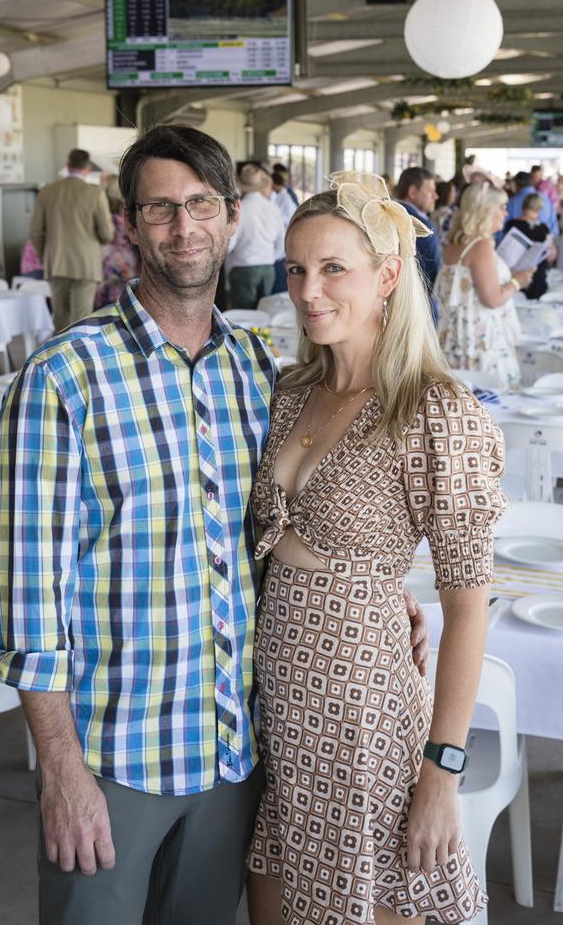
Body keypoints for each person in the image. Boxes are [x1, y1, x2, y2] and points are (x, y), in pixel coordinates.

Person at [0, 126, 429, 925]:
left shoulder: (263, 372)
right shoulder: (63, 378)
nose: (182, 228)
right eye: (159, 208)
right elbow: (27, 601)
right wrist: (59, 769)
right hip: (113, 760)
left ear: (231, 217)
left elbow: (279, 524)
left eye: (199, 206)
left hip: (234, 756)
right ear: (129, 223)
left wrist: (370, 588)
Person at [246, 171, 505, 925]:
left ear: (389, 274)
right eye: (297, 268)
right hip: (280, 714)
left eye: (334, 268)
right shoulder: (292, 389)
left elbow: (467, 608)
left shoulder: (434, 411)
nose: (307, 290)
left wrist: (441, 775)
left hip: (364, 719)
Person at [435, 181, 534, 390]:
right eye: (502, 207)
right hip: (480, 340)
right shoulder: (481, 245)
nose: (506, 213)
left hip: (455, 337)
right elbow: (492, 299)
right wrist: (517, 281)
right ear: (486, 210)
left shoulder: (452, 244)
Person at [30, 148, 114, 332]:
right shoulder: (95, 193)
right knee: (80, 321)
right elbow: (107, 234)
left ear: (68, 167)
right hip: (85, 264)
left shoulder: (46, 192)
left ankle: (58, 358)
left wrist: (46, 254)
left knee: (60, 320)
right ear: (88, 168)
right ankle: (77, 360)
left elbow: (36, 231)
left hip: (56, 262)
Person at [226, 162, 285, 308]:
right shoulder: (273, 209)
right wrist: (269, 258)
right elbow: (281, 243)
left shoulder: (239, 210)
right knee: (265, 311)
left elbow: (230, 244)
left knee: (244, 316)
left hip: (243, 268)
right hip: (268, 269)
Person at [394, 167, 441, 316]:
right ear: (413, 192)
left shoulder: (386, 213)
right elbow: (433, 274)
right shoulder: (422, 226)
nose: (436, 196)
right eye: (431, 191)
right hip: (419, 305)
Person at [93, 174, 141, 308]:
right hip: (127, 260)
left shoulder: (101, 210)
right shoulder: (126, 210)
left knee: (104, 303)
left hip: (105, 260)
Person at [503, 192, 556, 301]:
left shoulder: (511, 225)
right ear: (539, 208)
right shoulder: (543, 228)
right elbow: (551, 257)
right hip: (537, 280)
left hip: (514, 277)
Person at [506, 171, 558, 239]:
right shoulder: (546, 198)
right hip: (543, 246)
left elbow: (502, 230)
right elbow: (554, 229)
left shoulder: (512, 202)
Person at [432, 178, 456, 246]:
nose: (455, 194)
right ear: (447, 194)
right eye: (453, 191)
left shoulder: (433, 211)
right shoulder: (448, 214)